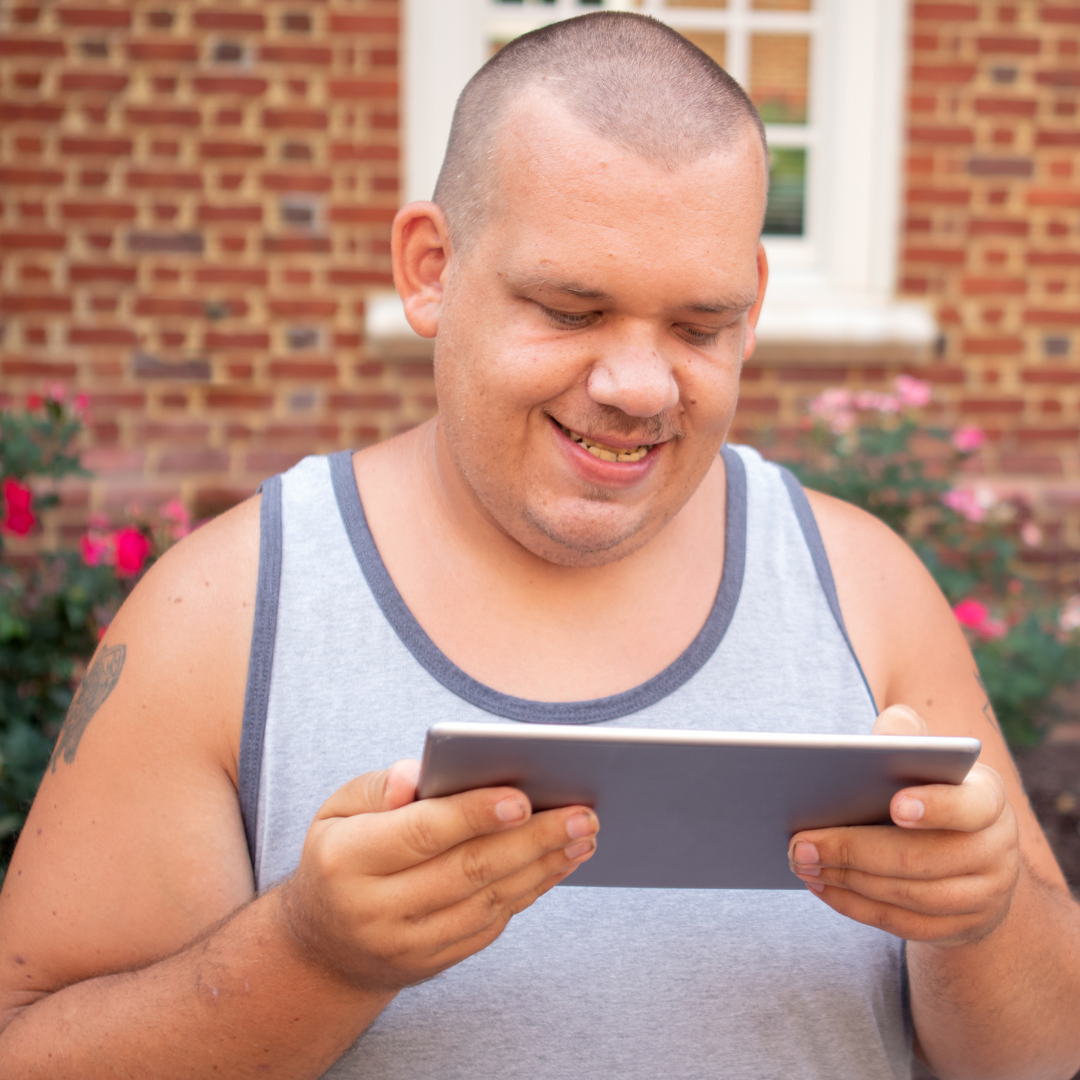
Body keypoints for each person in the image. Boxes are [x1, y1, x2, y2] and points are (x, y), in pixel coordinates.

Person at [1, 12, 1078, 1079]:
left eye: (699, 327)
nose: (640, 386)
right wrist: (311, 957)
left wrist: (982, 923)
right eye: (571, 309)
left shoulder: (864, 589)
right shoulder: (224, 615)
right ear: (430, 268)